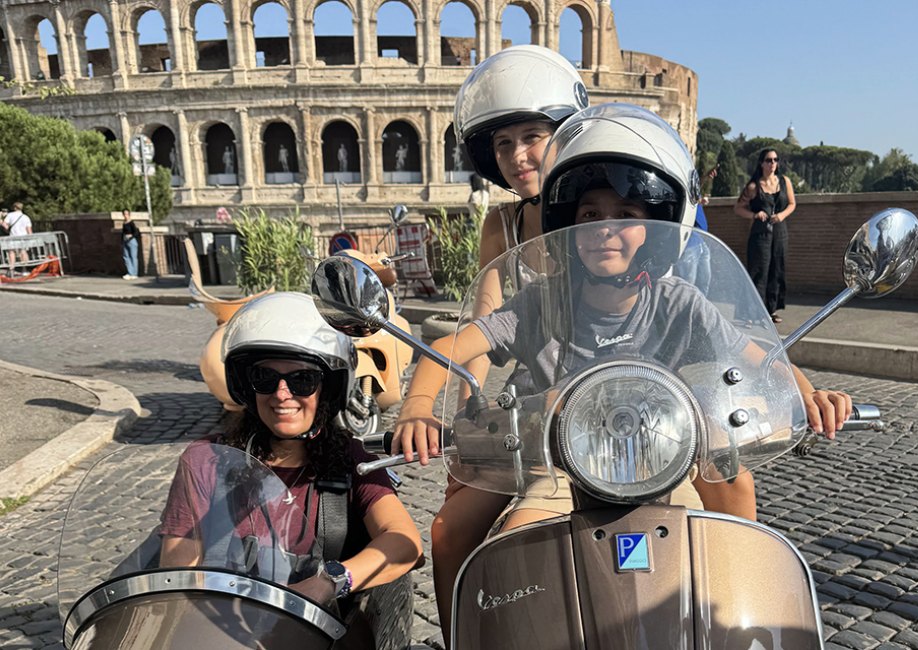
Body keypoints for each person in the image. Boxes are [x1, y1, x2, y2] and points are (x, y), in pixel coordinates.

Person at [394, 106, 851, 641]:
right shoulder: (542, 302)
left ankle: (734, 621)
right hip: (555, 465)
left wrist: (809, 395)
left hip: (664, 458)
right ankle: (465, 638)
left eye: (626, 213)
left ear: (655, 229)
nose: (604, 229)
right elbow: (448, 347)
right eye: (589, 215)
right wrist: (417, 408)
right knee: (454, 532)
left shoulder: (681, 303)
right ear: (568, 226)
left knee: (733, 484)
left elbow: (763, 358)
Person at [418, 44, 589, 647]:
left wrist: (793, 389)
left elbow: (705, 315)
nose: (518, 155)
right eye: (503, 143)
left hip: (622, 415)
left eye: (532, 135)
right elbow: (483, 323)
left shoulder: (613, 212)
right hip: (533, 425)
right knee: (448, 531)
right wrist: (439, 400)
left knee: (731, 488)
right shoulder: (504, 224)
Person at [159, 292, 422, 605]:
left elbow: (404, 542)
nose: (282, 394)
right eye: (264, 378)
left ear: (327, 388)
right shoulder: (206, 461)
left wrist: (329, 582)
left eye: (302, 380)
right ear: (245, 385)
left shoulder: (351, 460)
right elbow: (177, 574)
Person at [734, 148, 796, 323]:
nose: (773, 163)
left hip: (780, 232)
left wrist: (782, 215)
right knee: (759, 271)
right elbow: (738, 208)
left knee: (777, 269)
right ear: (762, 163)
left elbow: (792, 204)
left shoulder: (785, 182)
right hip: (760, 233)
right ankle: (753, 313)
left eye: (776, 160)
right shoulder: (754, 186)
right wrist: (754, 215)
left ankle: (771, 310)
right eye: (769, 160)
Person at [2, 202, 33, 276]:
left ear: (14, 207)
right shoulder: (26, 217)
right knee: (23, 252)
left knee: (11, 252)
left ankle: (11, 269)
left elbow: (6, 226)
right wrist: (30, 238)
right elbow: (29, 229)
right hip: (23, 237)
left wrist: (1, 221)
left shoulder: (10, 215)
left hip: (13, 237)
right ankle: (24, 270)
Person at [120, 209, 141, 280]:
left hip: (132, 241)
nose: (125, 215)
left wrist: (130, 237)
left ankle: (134, 273)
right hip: (125, 240)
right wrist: (122, 241)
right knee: (126, 256)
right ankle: (130, 272)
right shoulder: (124, 223)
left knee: (133, 257)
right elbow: (123, 232)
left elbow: (136, 232)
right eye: (124, 214)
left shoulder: (131, 223)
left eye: (127, 214)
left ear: (129, 214)